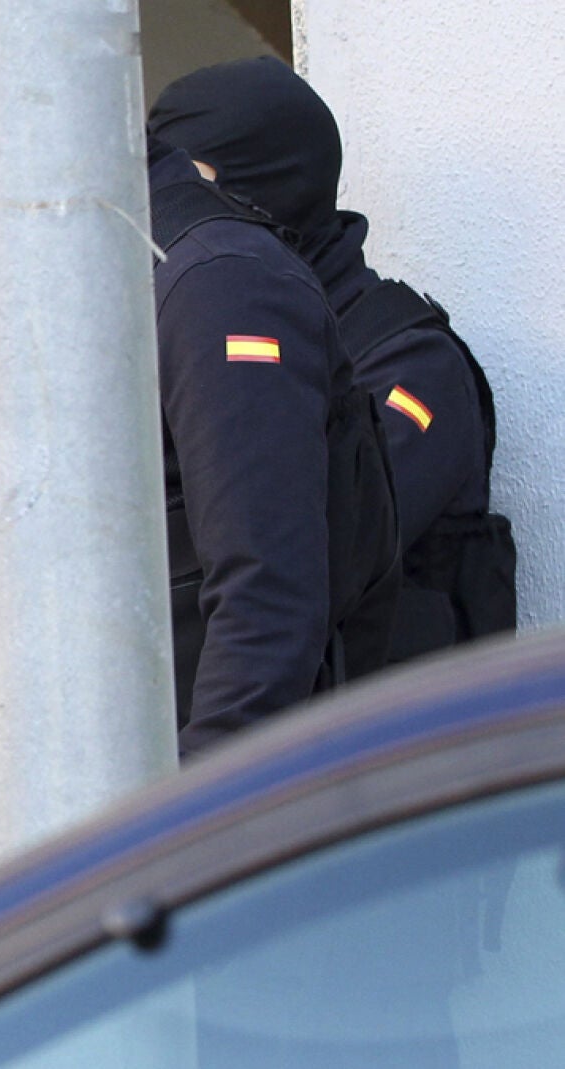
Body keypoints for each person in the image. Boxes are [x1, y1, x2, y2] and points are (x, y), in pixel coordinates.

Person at [150, 57, 515, 662]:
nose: (174, 212)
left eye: (193, 183)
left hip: (389, 742)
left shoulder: (411, 363)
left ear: (267, 184)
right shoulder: (193, 331)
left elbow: (305, 553)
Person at [146, 133, 396, 754]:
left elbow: (268, 596)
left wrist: (197, 809)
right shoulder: (131, 271)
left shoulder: (218, 282)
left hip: (188, 807)